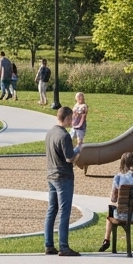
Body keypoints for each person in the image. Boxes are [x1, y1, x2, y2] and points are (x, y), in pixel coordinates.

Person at [43, 107, 80, 256]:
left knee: (52, 210)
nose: (72, 121)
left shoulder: (50, 133)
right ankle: (63, 246)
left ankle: (49, 244)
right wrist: (78, 152)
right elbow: (69, 158)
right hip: (63, 176)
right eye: (71, 118)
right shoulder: (64, 136)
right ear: (65, 118)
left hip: (51, 175)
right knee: (64, 211)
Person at [99, 152, 133, 252]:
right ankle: (106, 240)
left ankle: (106, 240)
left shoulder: (119, 177)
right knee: (112, 211)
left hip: (122, 215)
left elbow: (113, 199)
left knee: (110, 212)